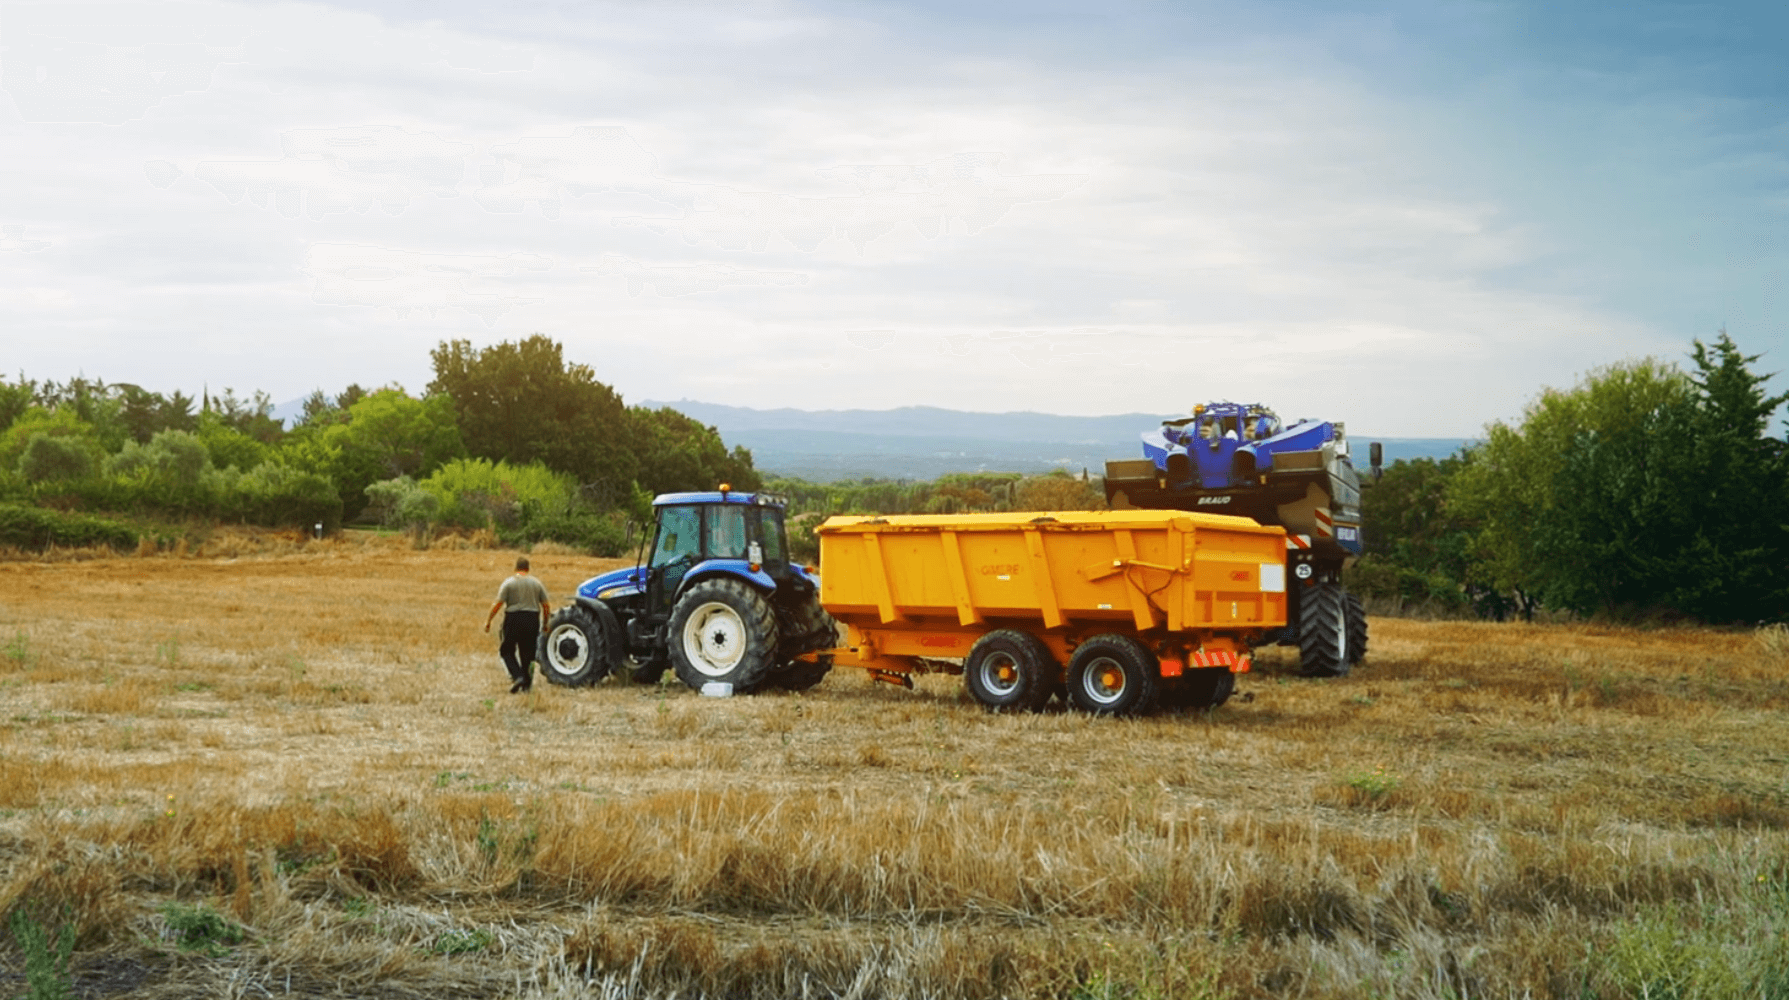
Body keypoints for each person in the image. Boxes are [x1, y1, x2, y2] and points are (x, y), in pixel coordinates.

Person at [484, 556, 551, 693]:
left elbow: (498, 603)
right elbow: (546, 605)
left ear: (515, 568)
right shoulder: (537, 583)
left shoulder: (509, 583)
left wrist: (489, 620)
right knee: (528, 653)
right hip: (532, 619)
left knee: (506, 650)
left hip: (513, 618)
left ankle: (518, 676)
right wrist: (545, 623)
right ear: (528, 568)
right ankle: (526, 685)